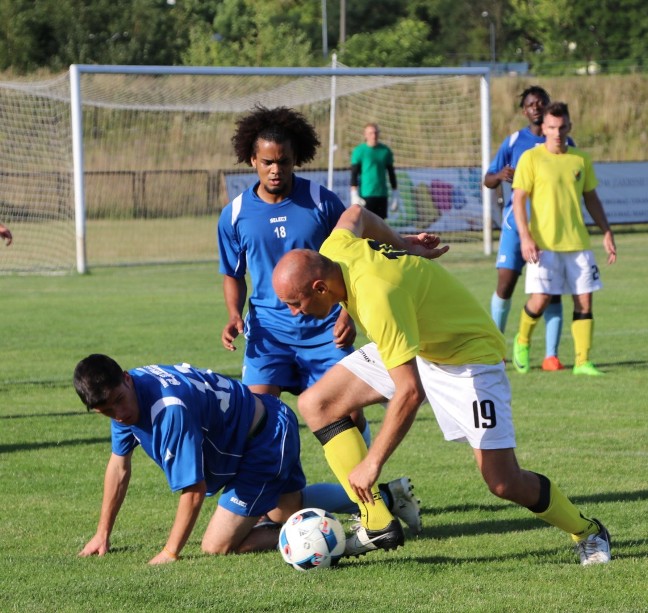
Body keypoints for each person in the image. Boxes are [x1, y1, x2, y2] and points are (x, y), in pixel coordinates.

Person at [271, 205, 612, 566]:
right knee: (317, 404)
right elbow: (356, 214)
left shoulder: (377, 297)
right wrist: (402, 245)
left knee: (503, 482)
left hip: (468, 358)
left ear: (320, 287)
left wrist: (373, 463)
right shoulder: (335, 250)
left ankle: (588, 531)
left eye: (296, 303)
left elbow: (410, 392)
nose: (296, 312)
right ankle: (376, 521)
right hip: (419, 344)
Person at [217, 105, 421, 534]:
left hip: (322, 330)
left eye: (284, 161)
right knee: (258, 421)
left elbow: (351, 258)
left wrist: (346, 310)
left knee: (345, 415)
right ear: (252, 160)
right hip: (267, 336)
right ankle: (274, 502)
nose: (276, 169)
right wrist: (234, 314)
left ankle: (368, 494)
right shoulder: (234, 214)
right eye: (268, 161)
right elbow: (232, 272)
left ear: (297, 159)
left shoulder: (320, 201)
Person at [74, 354, 310, 563]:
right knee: (287, 512)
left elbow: (194, 490)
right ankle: (341, 505)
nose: (119, 414)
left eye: (118, 401)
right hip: (253, 428)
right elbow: (119, 467)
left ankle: (311, 537)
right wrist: (102, 533)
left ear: (126, 379)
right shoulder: (128, 396)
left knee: (214, 547)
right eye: (107, 411)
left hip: (264, 440)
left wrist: (170, 552)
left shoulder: (169, 409)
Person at [510, 102, 616, 376]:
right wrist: (525, 236)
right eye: (552, 127)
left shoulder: (580, 159)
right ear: (543, 128)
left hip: (578, 244)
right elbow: (518, 199)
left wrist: (606, 231)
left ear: (570, 127)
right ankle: (522, 341)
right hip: (543, 245)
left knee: (585, 301)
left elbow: (591, 198)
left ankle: (583, 361)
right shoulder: (531, 159)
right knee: (541, 299)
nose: (557, 133)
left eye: (562, 127)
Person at [483, 86, 576, 372]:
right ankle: (496, 350)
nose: (535, 107)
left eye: (540, 102)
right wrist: (500, 176)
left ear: (548, 107)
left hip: (550, 225)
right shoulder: (514, 141)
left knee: (553, 290)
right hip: (516, 222)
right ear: (525, 111)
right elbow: (488, 179)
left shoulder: (564, 142)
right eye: (530, 104)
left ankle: (551, 356)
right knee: (506, 284)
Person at [350, 123, 398, 219]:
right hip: (366, 194)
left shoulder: (385, 151)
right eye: (371, 133)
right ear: (365, 135)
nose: (374, 135)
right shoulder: (359, 151)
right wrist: (354, 194)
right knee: (367, 224)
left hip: (382, 194)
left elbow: (391, 173)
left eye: (376, 133)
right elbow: (354, 173)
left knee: (380, 224)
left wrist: (395, 194)